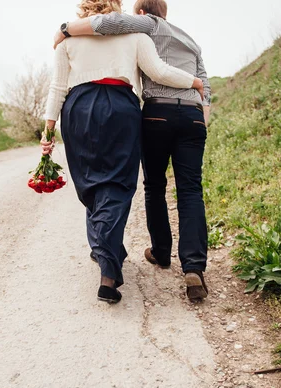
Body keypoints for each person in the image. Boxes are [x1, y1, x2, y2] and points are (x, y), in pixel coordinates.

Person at [42, 0, 205, 304]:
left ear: (83, 13)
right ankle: (109, 257)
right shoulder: (135, 37)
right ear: (116, 10)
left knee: (90, 182)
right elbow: (159, 71)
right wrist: (193, 82)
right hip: (120, 107)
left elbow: (57, 87)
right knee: (118, 183)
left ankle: (107, 259)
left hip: (78, 109)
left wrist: (48, 130)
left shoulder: (68, 41)